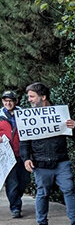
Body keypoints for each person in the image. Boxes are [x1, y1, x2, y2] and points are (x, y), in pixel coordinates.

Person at [19, 82, 75, 225]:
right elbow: (24, 141)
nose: (29, 100)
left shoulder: (60, 114)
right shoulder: (28, 117)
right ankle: (42, 224)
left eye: (32, 96)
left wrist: (74, 127)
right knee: (42, 193)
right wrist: (26, 158)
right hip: (41, 163)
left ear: (43, 97)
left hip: (61, 161)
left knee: (69, 190)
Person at [0, 90, 30, 218]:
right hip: (8, 156)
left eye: (10, 100)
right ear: (2, 101)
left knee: (24, 180)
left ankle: (17, 198)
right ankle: (15, 207)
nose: (8, 103)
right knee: (12, 182)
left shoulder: (24, 114)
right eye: (5, 101)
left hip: (23, 153)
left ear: (15, 101)